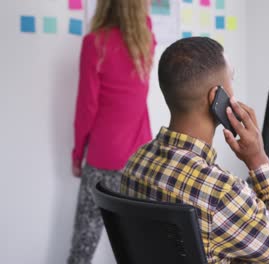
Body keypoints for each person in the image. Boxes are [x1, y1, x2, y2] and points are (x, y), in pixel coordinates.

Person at [121, 37, 269, 263]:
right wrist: (258, 160)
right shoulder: (221, 195)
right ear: (216, 97)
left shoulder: (136, 162)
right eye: (231, 80)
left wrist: (261, 214)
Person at [68, 0, 156, 263]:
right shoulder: (146, 40)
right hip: (140, 160)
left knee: (84, 243)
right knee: (138, 246)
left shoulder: (95, 43)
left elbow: (86, 108)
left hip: (102, 159)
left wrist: (76, 156)